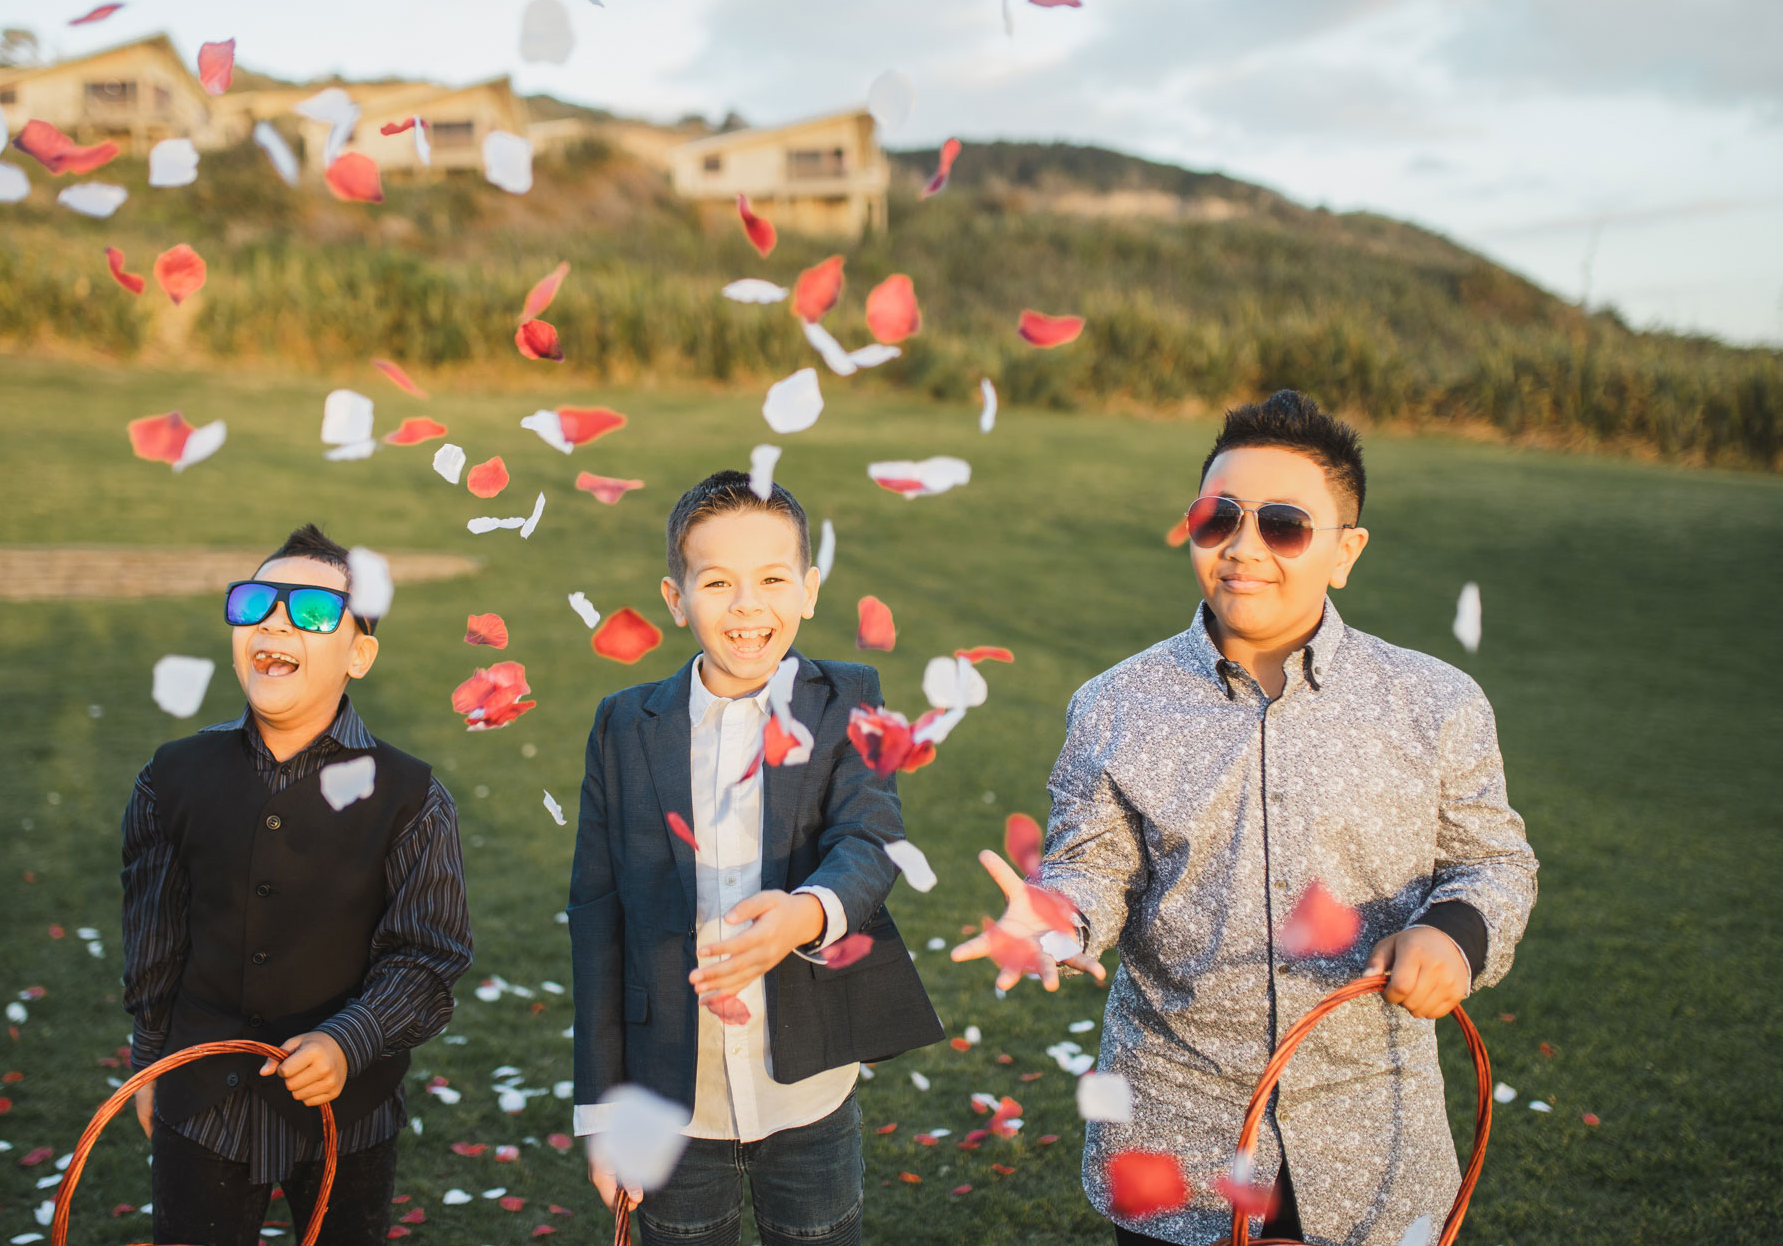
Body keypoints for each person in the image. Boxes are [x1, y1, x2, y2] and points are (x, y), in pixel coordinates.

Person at [955, 391, 1537, 1246]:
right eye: (1217, 516)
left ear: (1346, 552)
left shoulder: (1437, 703)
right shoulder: (1115, 704)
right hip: (1178, 1143)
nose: (1244, 546)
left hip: (1370, 1145)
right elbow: (1095, 866)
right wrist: (1058, 913)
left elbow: (1494, 863)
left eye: (1284, 525)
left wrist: (1454, 934)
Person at [569, 469, 944, 1246]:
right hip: (674, 1096)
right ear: (676, 599)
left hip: (806, 1093)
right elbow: (596, 915)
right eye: (718, 582)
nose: (747, 605)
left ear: (808, 589)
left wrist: (805, 914)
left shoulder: (850, 697)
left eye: (772, 579)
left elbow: (869, 839)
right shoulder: (623, 725)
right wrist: (603, 1108)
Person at [121, 524, 472, 1245]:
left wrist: (350, 1040)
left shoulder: (413, 797)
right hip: (203, 1103)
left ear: (359, 652)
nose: (275, 621)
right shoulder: (169, 778)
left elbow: (429, 959)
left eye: (312, 610)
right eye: (254, 603)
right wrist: (150, 1060)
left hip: (350, 1110)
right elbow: (155, 939)